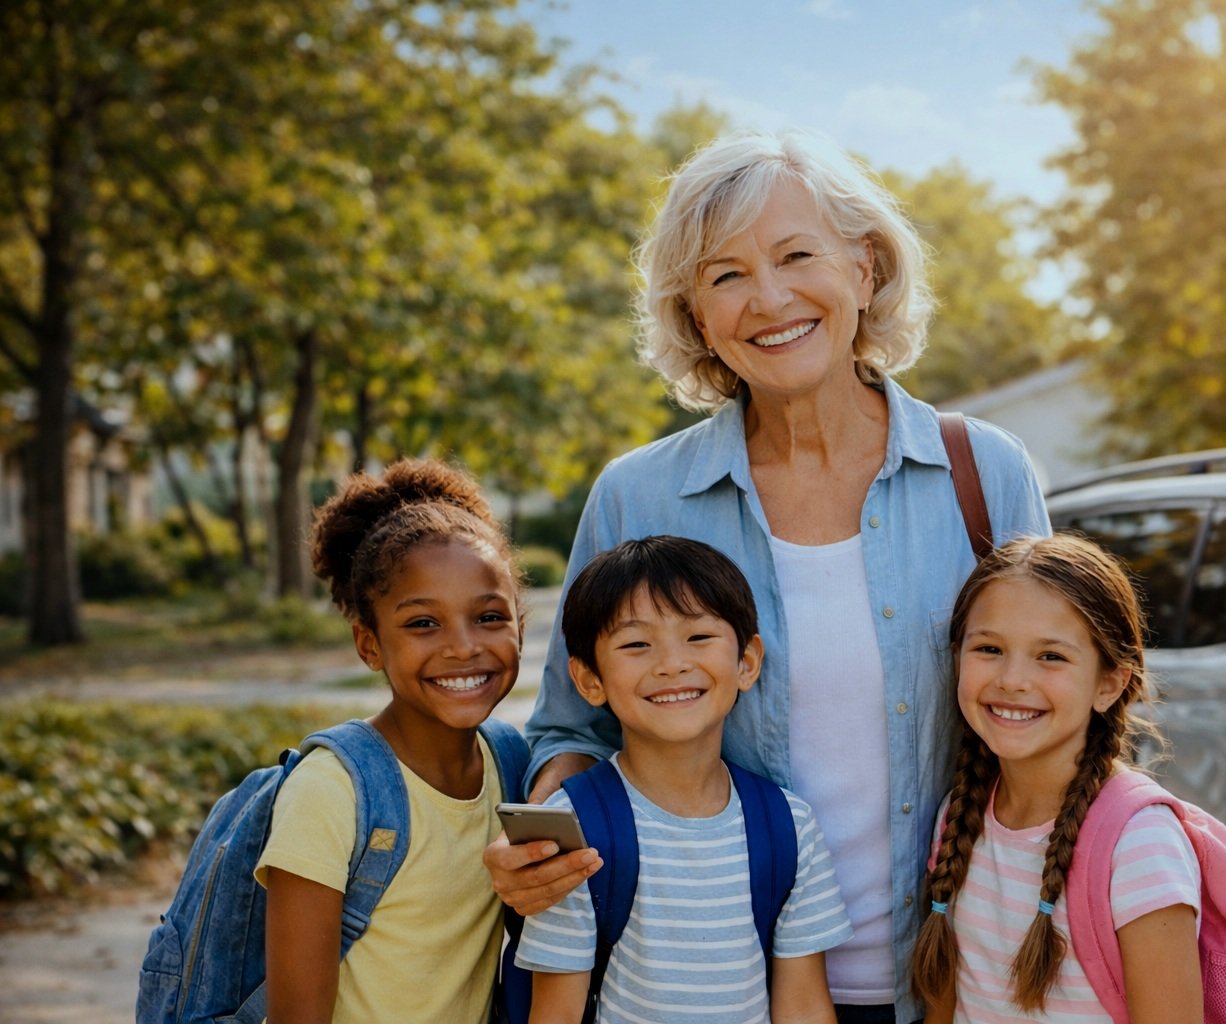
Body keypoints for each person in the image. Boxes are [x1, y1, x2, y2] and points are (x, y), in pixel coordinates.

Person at [484, 127, 1051, 1024]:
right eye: (727, 275)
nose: (770, 298)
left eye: (797, 256)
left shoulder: (985, 475)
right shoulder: (639, 497)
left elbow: (1065, 717)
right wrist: (546, 847)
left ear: (863, 269)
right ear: (696, 316)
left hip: (964, 984)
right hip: (714, 992)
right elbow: (572, 726)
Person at [513, 535, 853, 1022]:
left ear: (747, 662)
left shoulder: (789, 827)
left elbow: (804, 1008)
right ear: (589, 680)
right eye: (636, 644)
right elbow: (556, 1015)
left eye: (698, 637)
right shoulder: (573, 828)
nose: (672, 664)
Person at [257, 458, 526, 1023]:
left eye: (489, 617)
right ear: (369, 645)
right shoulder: (331, 791)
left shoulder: (511, 763)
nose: (463, 647)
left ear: (520, 624)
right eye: (423, 623)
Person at [911, 534, 1202, 1023]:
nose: (1012, 680)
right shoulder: (958, 817)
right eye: (989, 648)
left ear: (1109, 684)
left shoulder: (1139, 845)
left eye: (1051, 656)